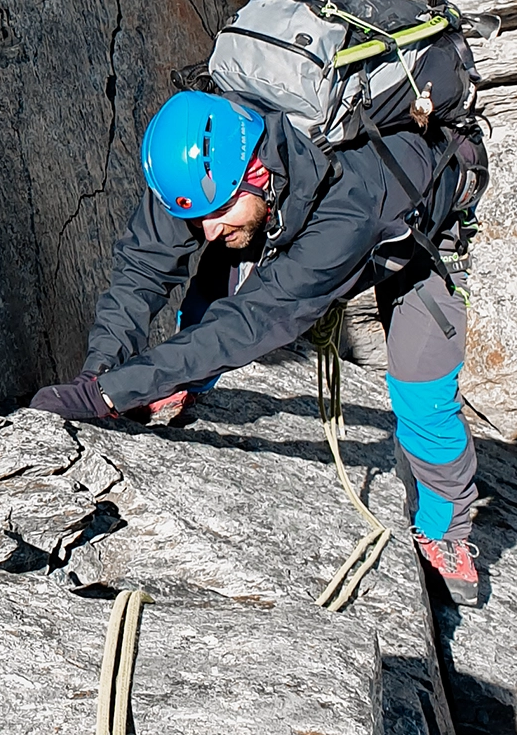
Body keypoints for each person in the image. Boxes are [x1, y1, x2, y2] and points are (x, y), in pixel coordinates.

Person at [30, 89, 484, 605]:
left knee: (423, 394)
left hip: (411, 232)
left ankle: (447, 528)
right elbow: (142, 268)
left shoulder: (349, 204)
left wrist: (113, 393)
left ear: (260, 175)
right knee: (228, 251)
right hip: (291, 213)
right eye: (196, 214)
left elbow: (250, 323)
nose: (205, 226)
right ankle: (185, 382)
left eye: (218, 209)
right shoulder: (203, 167)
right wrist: (99, 372)